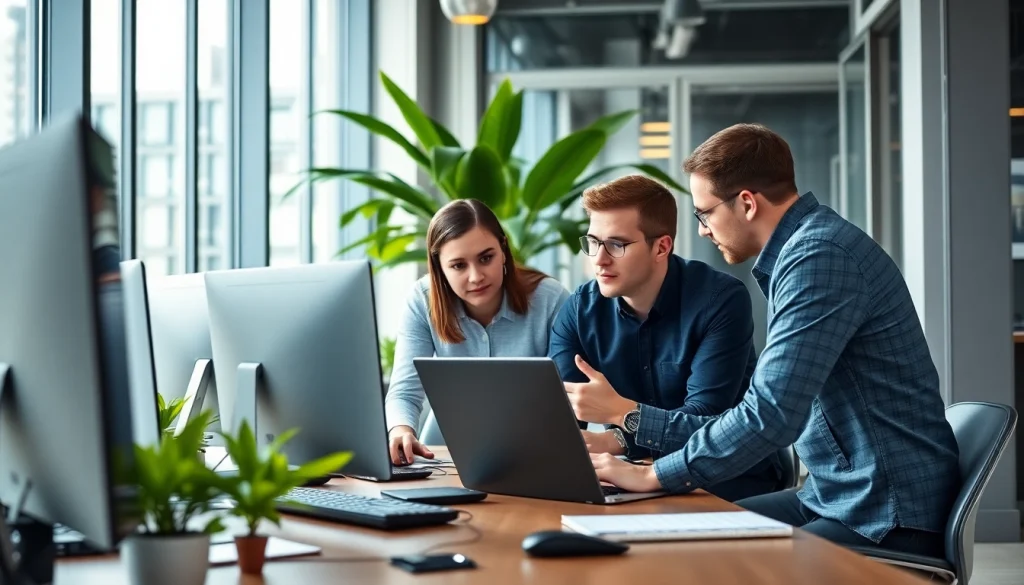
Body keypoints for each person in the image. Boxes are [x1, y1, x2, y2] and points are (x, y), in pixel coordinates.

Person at [583, 124, 960, 557]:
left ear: (746, 203)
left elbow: (771, 415)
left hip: (882, 514)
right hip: (833, 498)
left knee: (692, 553)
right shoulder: (807, 250)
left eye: (704, 213)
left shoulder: (819, 257)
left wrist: (655, 475)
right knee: (682, 530)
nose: (703, 230)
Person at [548, 174, 783, 503]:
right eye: (593, 242)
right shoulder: (580, 309)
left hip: (727, 481)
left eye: (616, 245)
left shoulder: (720, 301)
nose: (599, 259)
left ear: (661, 247)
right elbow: (558, 417)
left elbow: (705, 423)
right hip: (634, 473)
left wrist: (621, 418)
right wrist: (606, 442)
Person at [385, 199, 570, 465]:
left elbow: (569, 398)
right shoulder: (422, 300)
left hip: (535, 455)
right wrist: (401, 429)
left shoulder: (551, 299)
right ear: (439, 267)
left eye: (486, 258)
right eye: (459, 265)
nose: (476, 277)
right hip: (447, 456)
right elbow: (405, 391)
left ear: (503, 250)